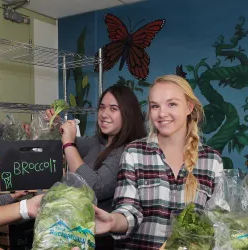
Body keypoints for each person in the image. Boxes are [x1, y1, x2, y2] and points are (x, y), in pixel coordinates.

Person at [92, 75, 224, 249]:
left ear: (189, 107)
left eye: (172, 104)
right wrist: (112, 221)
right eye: (155, 106)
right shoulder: (134, 152)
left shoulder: (212, 160)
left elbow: (217, 222)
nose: (162, 113)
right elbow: (128, 210)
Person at [46, 84, 147, 249]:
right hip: (75, 232)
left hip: (102, 239)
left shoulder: (127, 151)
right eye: (102, 107)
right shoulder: (97, 142)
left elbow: (94, 187)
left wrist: (69, 144)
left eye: (113, 109)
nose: (104, 114)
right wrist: (56, 126)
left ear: (128, 114)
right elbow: (62, 143)